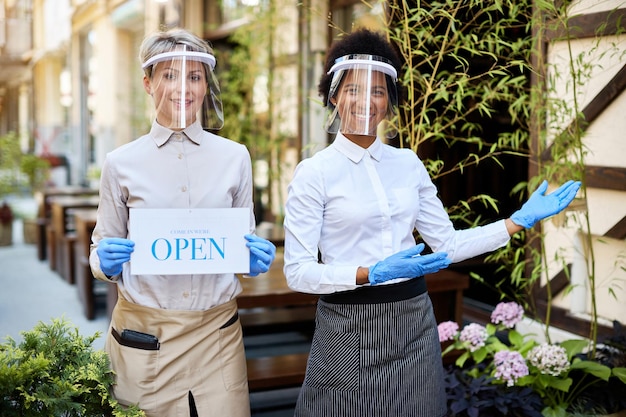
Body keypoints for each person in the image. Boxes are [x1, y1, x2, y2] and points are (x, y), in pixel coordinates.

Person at [282, 28, 580, 417]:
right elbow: (298, 272)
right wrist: (369, 272)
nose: (365, 101)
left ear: (390, 101)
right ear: (334, 95)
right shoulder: (314, 173)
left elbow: (448, 246)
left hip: (414, 327)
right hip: (347, 329)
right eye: (353, 89)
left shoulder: (408, 164)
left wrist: (516, 222)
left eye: (378, 91)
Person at [89, 28, 276, 417]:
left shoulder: (235, 157)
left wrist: (253, 258)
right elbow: (99, 249)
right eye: (170, 75)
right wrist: (103, 262)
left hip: (217, 336)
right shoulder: (120, 163)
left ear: (206, 85)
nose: (183, 88)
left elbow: (241, 242)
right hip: (146, 338)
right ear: (148, 82)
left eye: (194, 77)